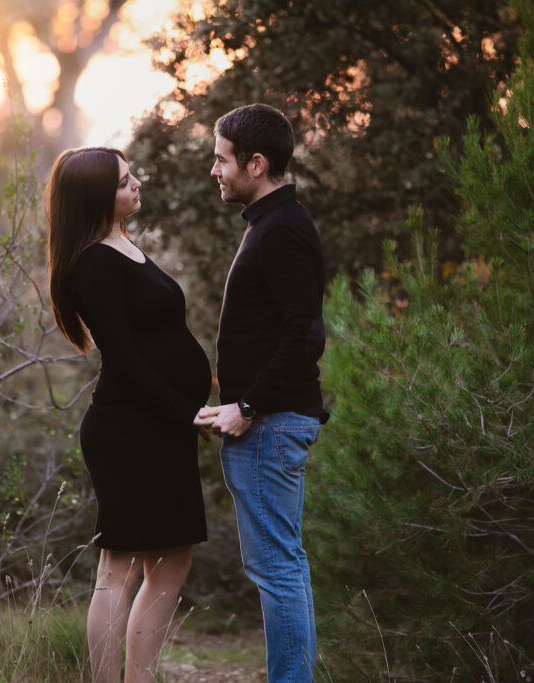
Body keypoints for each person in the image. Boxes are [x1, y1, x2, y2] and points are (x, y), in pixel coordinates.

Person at [46, 147, 215, 683]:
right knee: (118, 564)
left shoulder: (123, 245)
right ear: (95, 197)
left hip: (160, 425)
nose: (137, 183)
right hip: (129, 429)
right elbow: (123, 356)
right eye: (123, 181)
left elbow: (157, 339)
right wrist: (186, 412)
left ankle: (140, 678)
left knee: (172, 559)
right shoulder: (94, 262)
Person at [202, 103, 328, 682]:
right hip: (269, 424)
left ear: (256, 164)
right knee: (283, 567)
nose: (215, 170)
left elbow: (305, 335)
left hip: (270, 427)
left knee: (278, 570)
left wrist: (249, 406)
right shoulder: (271, 224)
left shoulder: (282, 230)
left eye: (222, 160)